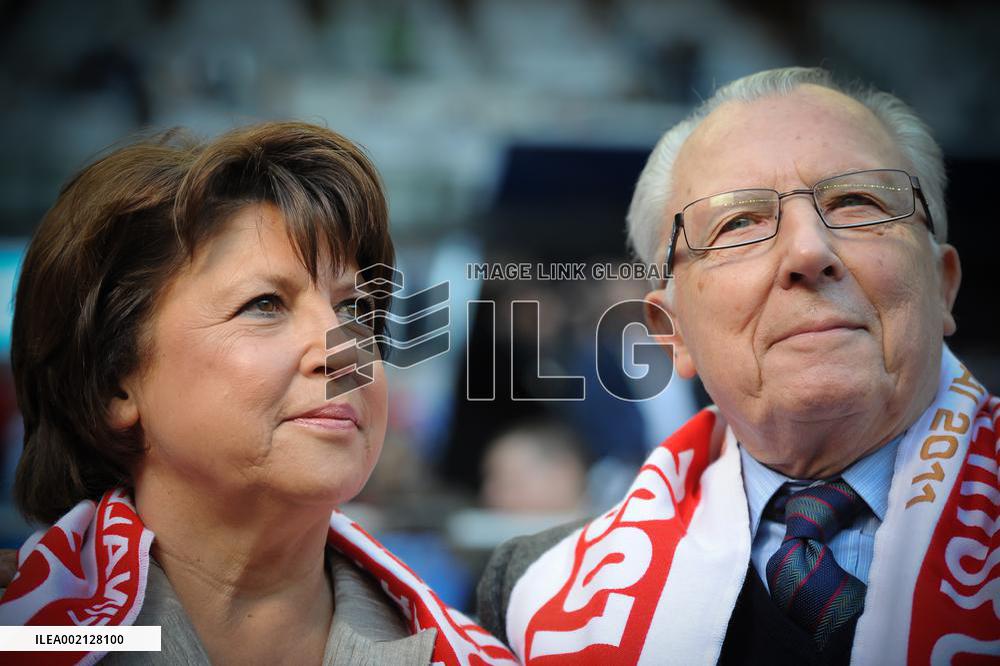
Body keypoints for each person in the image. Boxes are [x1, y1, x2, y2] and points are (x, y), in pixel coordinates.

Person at [476, 67, 999, 664]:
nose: (808, 251)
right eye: (738, 223)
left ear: (943, 286)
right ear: (672, 334)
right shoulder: (536, 599)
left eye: (856, 201)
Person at [0, 122, 515, 665]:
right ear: (112, 383)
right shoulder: (28, 633)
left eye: (354, 310)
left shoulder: (473, 657)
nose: (343, 351)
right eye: (265, 304)